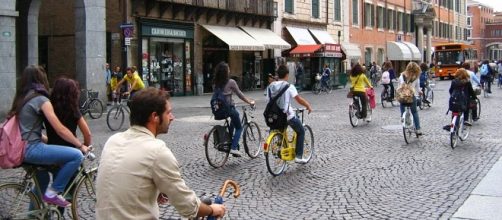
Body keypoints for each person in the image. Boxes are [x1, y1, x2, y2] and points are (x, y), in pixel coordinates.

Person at [96, 88, 225, 219]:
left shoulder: (113, 140)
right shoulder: (157, 151)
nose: (172, 117)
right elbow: (188, 206)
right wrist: (212, 210)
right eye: (168, 112)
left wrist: (150, 189)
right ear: (155, 117)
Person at [8, 65, 89, 207]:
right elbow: (60, 129)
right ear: (41, 79)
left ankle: (33, 216)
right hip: (32, 149)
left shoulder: (22, 98)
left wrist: (45, 139)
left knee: (42, 181)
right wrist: (80, 145)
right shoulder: (40, 100)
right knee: (76, 155)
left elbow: (30, 130)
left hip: (19, 149)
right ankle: (54, 192)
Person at [43, 76, 92, 214]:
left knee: (47, 186)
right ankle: (58, 213)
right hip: (69, 155)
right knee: (67, 191)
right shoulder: (73, 110)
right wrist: (84, 147)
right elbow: (87, 133)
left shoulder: (48, 108)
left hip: (51, 153)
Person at [265, 64, 313, 163]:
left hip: (273, 116)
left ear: (278, 75)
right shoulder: (289, 86)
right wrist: (307, 105)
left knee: (279, 129)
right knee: (301, 131)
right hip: (286, 116)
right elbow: (298, 99)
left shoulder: (270, 87)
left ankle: (279, 146)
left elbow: (268, 100)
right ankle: (298, 156)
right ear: (287, 75)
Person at [212, 62, 255, 157]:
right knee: (239, 127)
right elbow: (240, 94)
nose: (230, 70)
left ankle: (229, 139)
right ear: (226, 72)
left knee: (233, 117)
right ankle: (234, 148)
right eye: (228, 69)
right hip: (228, 109)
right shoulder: (231, 82)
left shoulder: (216, 83)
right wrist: (249, 101)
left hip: (219, 110)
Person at [398, 62, 423, 135]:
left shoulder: (401, 76)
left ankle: (402, 116)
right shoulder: (416, 77)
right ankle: (418, 129)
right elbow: (418, 89)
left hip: (402, 97)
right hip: (411, 97)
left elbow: (399, 86)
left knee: (402, 106)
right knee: (414, 112)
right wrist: (420, 92)